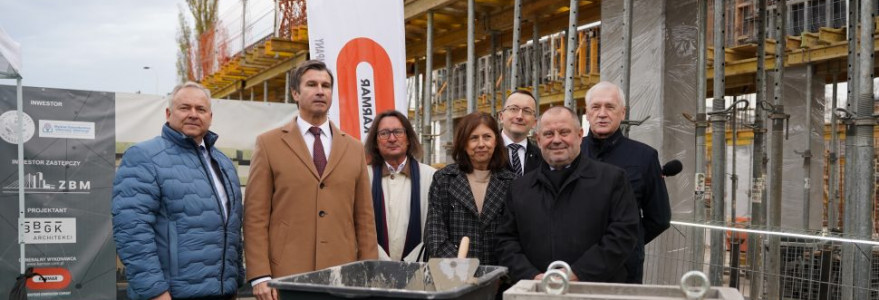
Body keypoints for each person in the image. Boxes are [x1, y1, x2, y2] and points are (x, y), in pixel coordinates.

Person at [244, 60, 378, 300]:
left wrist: (369, 270)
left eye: (326, 86)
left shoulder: (354, 148)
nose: (320, 91)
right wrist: (260, 275)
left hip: (343, 276)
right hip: (286, 276)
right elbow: (255, 216)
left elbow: (365, 219)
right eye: (312, 84)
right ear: (295, 93)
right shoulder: (269, 144)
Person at [112, 82, 243, 300]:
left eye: (200, 109)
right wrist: (155, 292)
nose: (193, 114)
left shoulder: (223, 163)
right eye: (184, 108)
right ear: (168, 113)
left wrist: (234, 282)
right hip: (169, 294)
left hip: (223, 292)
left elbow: (232, 229)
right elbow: (132, 232)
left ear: (210, 116)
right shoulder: (143, 156)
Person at [497, 106, 639, 283]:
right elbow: (506, 241)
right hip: (539, 291)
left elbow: (623, 235)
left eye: (564, 132)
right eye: (549, 134)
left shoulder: (612, 180)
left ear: (580, 135)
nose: (557, 140)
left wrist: (578, 273)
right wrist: (532, 275)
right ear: (538, 140)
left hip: (595, 290)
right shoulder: (519, 188)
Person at [581, 81, 671, 283]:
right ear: (587, 113)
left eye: (610, 107)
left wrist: (630, 241)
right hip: (576, 265)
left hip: (623, 268)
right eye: (595, 107)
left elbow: (660, 218)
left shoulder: (644, 156)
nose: (602, 113)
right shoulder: (571, 152)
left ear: (623, 113)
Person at [425, 112, 515, 265]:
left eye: (487, 137)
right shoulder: (444, 179)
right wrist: (460, 267)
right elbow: (434, 234)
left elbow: (515, 235)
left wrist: (500, 272)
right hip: (453, 275)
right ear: (463, 144)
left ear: (496, 141)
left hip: (498, 277)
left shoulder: (511, 182)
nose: (481, 144)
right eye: (473, 138)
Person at [364, 110, 437, 261]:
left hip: (418, 269)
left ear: (409, 138)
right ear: (376, 142)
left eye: (398, 132)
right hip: (373, 267)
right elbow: (359, 228)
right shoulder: (364, 176)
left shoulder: (430, 177)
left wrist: (410, 263)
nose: (392, 138)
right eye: (384, 133)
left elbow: (434, 229)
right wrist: (382, 261)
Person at [498, 90, 543, 177]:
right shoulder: (486, 150)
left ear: (534, 122)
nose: (519, 116)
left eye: (527, 111)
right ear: (501, 116)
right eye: (513, 109)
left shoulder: (542, 157)